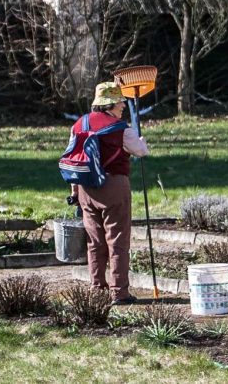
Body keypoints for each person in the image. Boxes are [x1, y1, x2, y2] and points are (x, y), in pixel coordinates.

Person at [70, 81, 149, 305]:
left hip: (86, 188)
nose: (123, 106)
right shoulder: (121, 129)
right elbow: (141, 152)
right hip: (114, 187)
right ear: (111, 104)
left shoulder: (79, 125)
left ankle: (97, 289)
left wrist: (75, 191)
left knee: (94, 241)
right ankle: (119, 292)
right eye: (120, 102)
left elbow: (74, 160)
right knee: (117, 241)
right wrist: (141, 141)